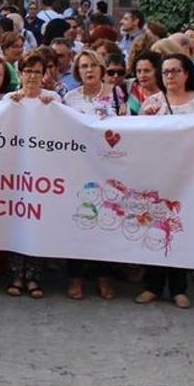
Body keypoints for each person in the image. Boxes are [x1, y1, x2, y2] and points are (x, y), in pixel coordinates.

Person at [138, 54, 194, 308]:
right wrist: (145, 119)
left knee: (179, 228)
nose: (170, 76)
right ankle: (152, 285)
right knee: (153, 228)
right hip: (157, 176)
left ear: (187, 74)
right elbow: (139, 140)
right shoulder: (152, 103)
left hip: (188, 179)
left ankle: (178, 287)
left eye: (175, 70)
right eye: (165, 72)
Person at [62, 50, 125, 300]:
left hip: (108, 167)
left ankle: (103, 276)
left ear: (101, 69)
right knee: (79, 220)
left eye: (93, 66)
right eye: (83, 66)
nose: (88, 70)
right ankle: (75, 277)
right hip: (78, 167)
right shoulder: (69, 98)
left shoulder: (116, 94)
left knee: (106, 220)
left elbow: (125, 126)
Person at [5, 52, 57, 298]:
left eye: (37, 71)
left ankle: (34, 277)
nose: (32, 76)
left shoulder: (53, 100)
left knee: (36, 223)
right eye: (28, 71)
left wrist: (53, 108)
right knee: (17, 223)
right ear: (20, 73)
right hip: (15, 173)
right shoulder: (9, 100)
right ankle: (16, 275)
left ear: (44, 74)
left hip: (42, 172)